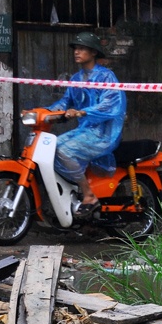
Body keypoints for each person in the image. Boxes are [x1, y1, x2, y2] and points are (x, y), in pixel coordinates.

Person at [47, 32, 126, 218]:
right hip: (84, 131)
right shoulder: (76, 79)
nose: (77, 52)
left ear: (93, 52)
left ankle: (89, 195)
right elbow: (64, 102)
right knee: (51, 147)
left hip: (103, 133)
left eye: (81, 48)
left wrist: (83, 112)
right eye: (76, 48)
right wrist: (43, 112)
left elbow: (111, 104)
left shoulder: (107, 77)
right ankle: (75, 192)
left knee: (63, 150)